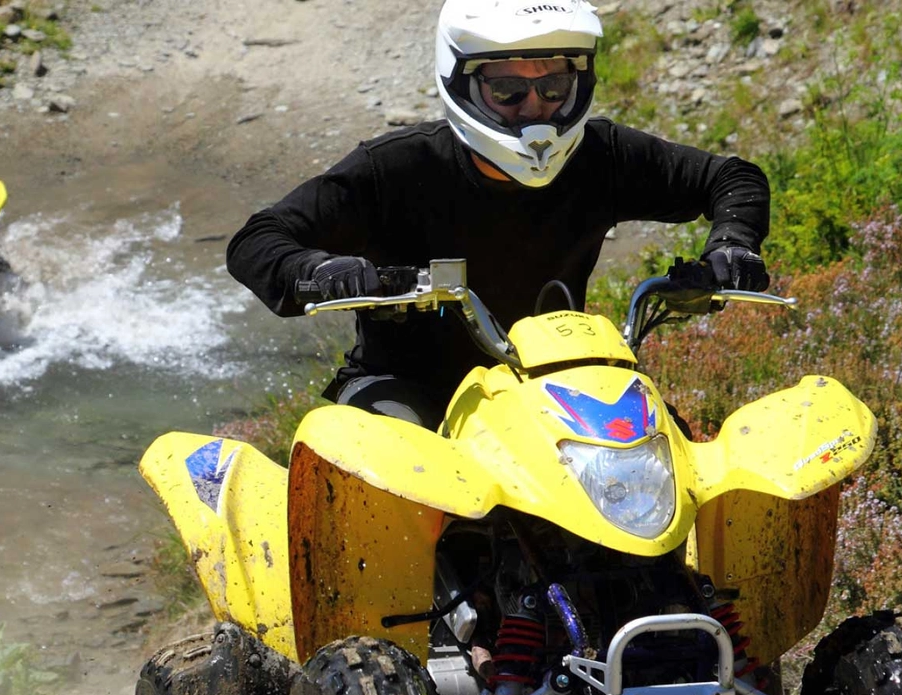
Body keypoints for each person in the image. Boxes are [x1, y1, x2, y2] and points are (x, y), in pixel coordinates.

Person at [225, 0, 771, 430]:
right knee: (383, 474)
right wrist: (321, 272)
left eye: (554, 86)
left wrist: (732, 245)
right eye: (509, 90)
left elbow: (733, 177)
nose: (536, 110)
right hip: (408, 387)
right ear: (464, 83)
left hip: (554, 380)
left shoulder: (601, 157)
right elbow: (258, 238)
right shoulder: (396, 168)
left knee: (669, 456)